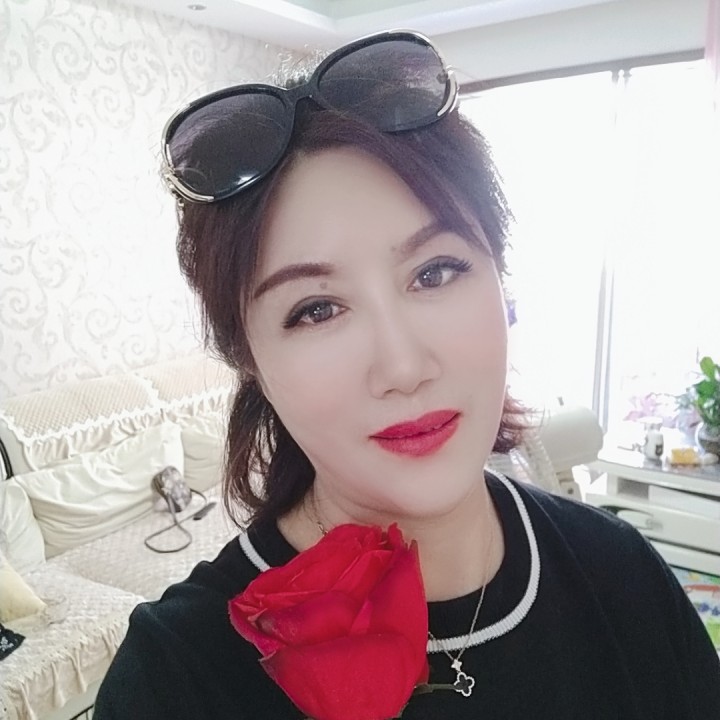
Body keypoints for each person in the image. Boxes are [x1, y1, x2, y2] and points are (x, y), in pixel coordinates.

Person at [94, 30, 720, 719]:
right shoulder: (176, 677)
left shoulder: (620, 571)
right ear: (249, 361)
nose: (404, 367)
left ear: (501, 278)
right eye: (317, 309)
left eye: (436, 272)